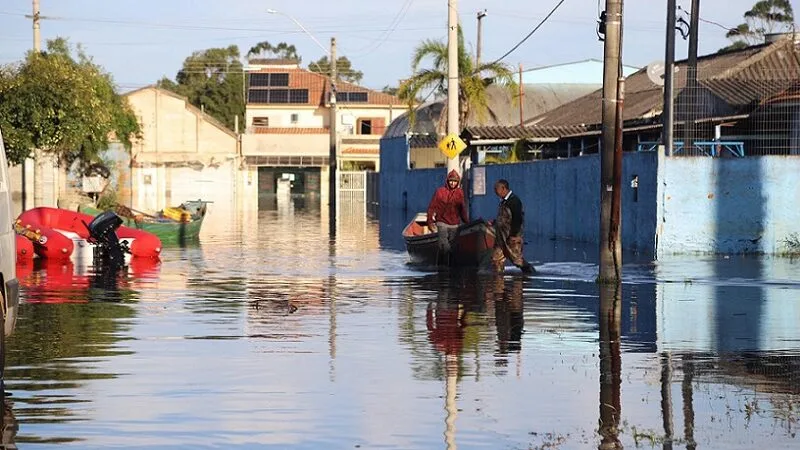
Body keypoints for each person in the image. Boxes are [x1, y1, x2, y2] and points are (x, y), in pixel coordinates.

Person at [490, 179, 535, 274]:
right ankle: (498, 282)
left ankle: (530, 273)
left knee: (517, 260)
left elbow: (518, 219)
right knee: (496, 259)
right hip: (501, 237)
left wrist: (514, 235)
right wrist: (494, 222)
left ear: (503, 188)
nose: (495, 191)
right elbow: (504, 217)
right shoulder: (504, 202)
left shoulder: (514, 201)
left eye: (496, 189)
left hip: (512, 237)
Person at [426, 169, 469, 255]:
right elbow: (431, 207)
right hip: (442, 222)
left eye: (455, 181)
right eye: (451, 181)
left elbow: (462, 209)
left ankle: (451, 262)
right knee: (443, 244)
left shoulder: (459, 192)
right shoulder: (440, 192)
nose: (452, 183)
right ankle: (444, 263)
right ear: (447, 181)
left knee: (454, 245)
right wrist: (430, 222)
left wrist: (467, 222)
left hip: (455, 224)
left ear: (458, 182)